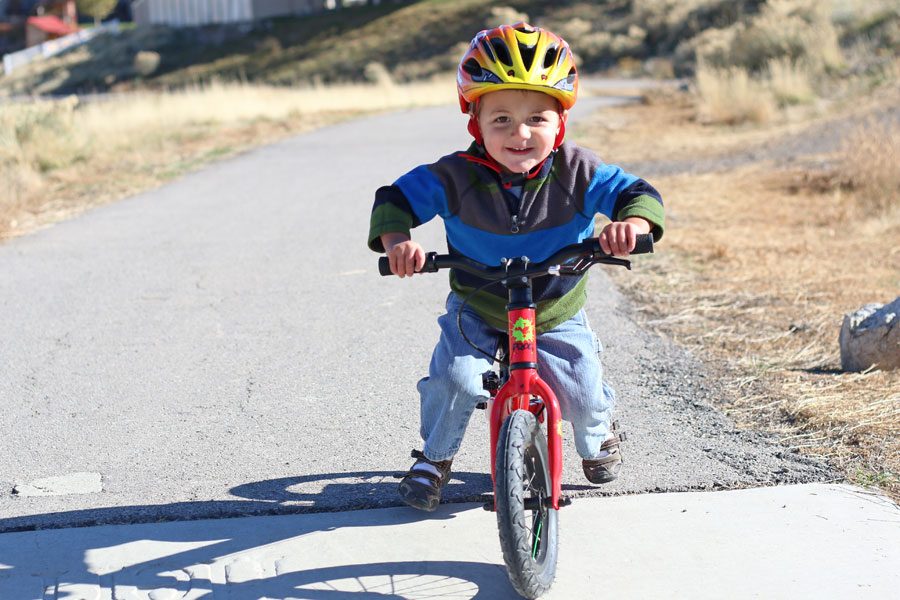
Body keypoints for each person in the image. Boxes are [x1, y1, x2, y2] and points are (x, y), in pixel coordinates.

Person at [368, 23, 664, 512]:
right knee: (458, 380)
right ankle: (434, 458)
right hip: (479, 304)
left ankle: (597, 435)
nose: (520, 133)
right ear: (475, 122)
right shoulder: (454, 175)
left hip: (553, 305)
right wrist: (399, 242)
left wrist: (629, 224)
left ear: (561, 121)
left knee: (582, 391)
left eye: (537, 118)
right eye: (501, 118)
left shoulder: (577, 170)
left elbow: (637, 193)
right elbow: (395, 199)